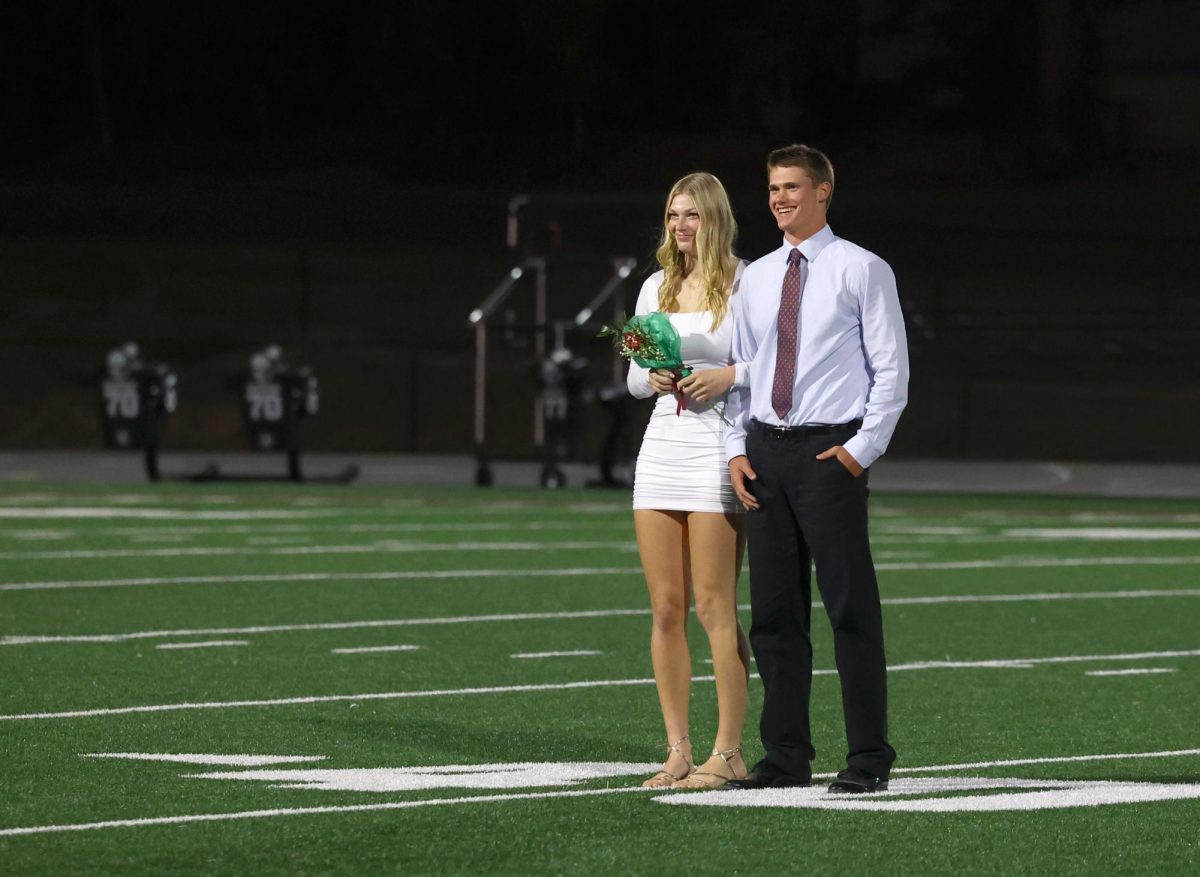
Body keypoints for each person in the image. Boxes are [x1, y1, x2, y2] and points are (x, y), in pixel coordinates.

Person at [723, 144, 909, 794]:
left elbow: (892, 371)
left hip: (831, 452)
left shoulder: (863, 268)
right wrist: (734, 448)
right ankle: (785, 754)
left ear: (824, 191)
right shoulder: (756, 276)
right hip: (767, 452)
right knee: (773, 614)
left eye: (793, 186)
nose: (780, 198)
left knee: (850, 610)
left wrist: (862, 449)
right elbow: (741, 369)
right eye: (773, 187)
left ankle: (867, 757)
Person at [626, 172, 753, 790]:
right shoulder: (655, 285)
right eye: (673, 215)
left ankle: (728, 751)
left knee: (713, 606)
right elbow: (630, 371)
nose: (680, 226)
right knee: (665, 608)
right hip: (661, 448)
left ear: (715, 218)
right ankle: (678, 747)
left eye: (692, 216)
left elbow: (774, 364)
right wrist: (649, 379)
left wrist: (727, 374)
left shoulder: (747, 280)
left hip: (717, 450)